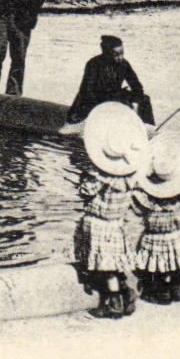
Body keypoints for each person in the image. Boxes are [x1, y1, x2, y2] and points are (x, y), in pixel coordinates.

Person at [75, 102, 149, 319]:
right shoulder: (129, 176)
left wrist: (84, 177)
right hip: (117, 223)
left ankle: (113, 303)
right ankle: (126, 295)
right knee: (116, 263)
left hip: (100, 223)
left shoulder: (99, 176)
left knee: (106, 267)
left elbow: (85, 192)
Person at [131, 133, 180, 305]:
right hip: (177, 233)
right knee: (175, 261)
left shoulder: (148, 197)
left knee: (159, 265)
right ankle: (174, 288)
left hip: (156, 235)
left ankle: (162, 292)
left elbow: (137, 210)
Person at [67, 35, 153, 125]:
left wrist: (137, 98)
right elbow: (87, 91)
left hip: (114, 95)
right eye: (116, 54)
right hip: (95, 98)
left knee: (144, 99)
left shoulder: (124, 64)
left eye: (122, 53)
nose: (120, 57)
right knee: (123, 104)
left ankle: (147, 126)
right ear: (106, 53)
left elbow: (135, 84)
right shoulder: (94, 64)